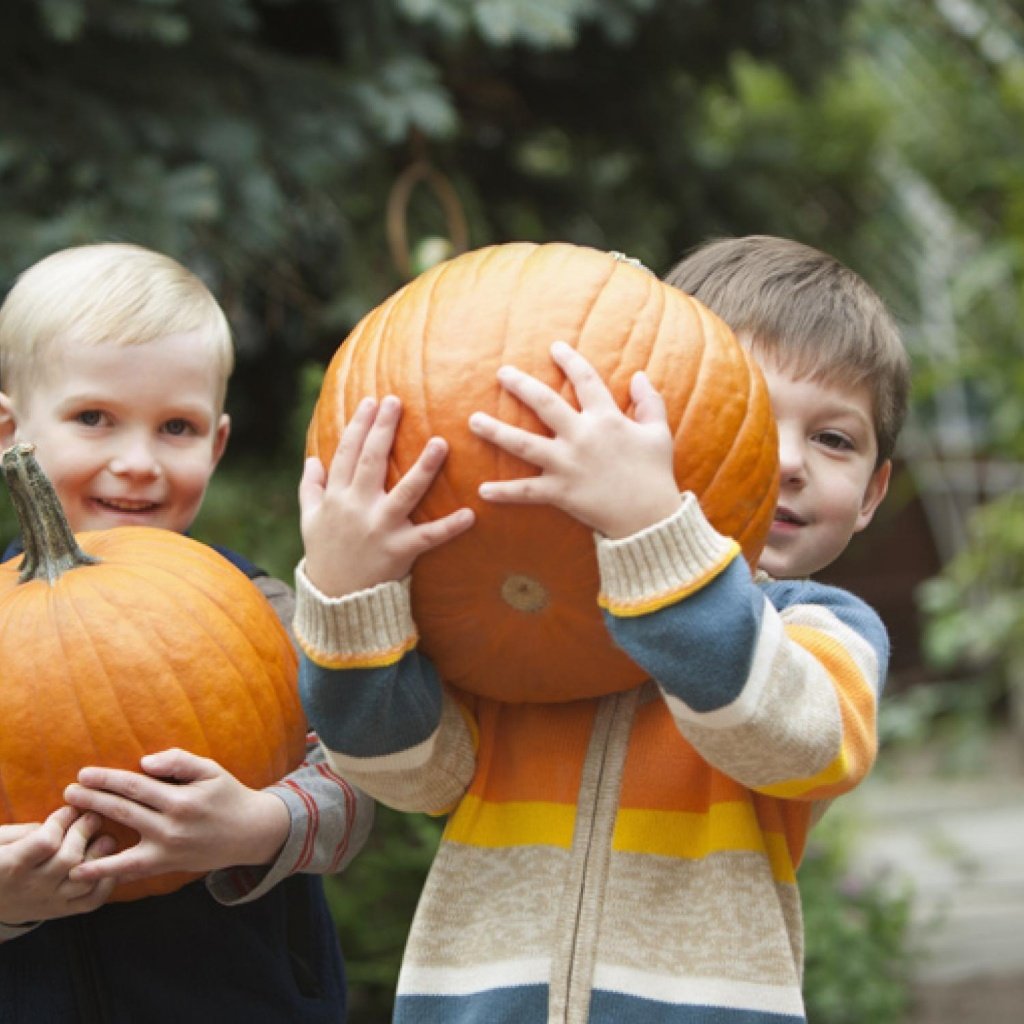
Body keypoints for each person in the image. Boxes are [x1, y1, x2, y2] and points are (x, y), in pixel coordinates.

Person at [294, 236, 911, 1023]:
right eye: (751, 416)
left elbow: (796, 737)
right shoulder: (533, 620)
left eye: (834, 439)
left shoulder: (820, 629)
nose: (787, 460)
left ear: (871, 493)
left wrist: (652, 538)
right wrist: (352, 593)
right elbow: (410, 775)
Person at [0, 243, 374, 1024]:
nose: (137, 462)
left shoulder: (259, 606)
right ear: (11, 430)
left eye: (176, 427)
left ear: (218, 444)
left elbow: (363, 783)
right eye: (94, 418)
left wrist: (256, 825)